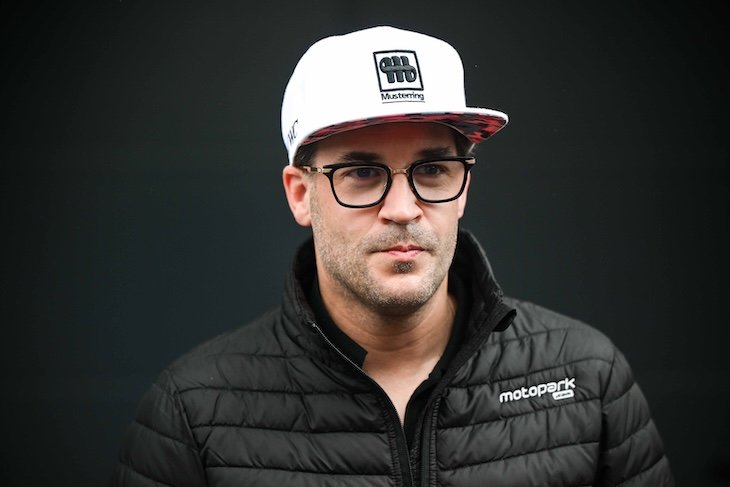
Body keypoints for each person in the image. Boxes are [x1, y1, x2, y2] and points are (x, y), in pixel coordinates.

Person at [111, 25, 674, 486]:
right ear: (301, 194)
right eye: (361, 172)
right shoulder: (193, 413)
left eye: (432, 170)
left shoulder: (587, 379)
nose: (403, 209)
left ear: (464, 188)